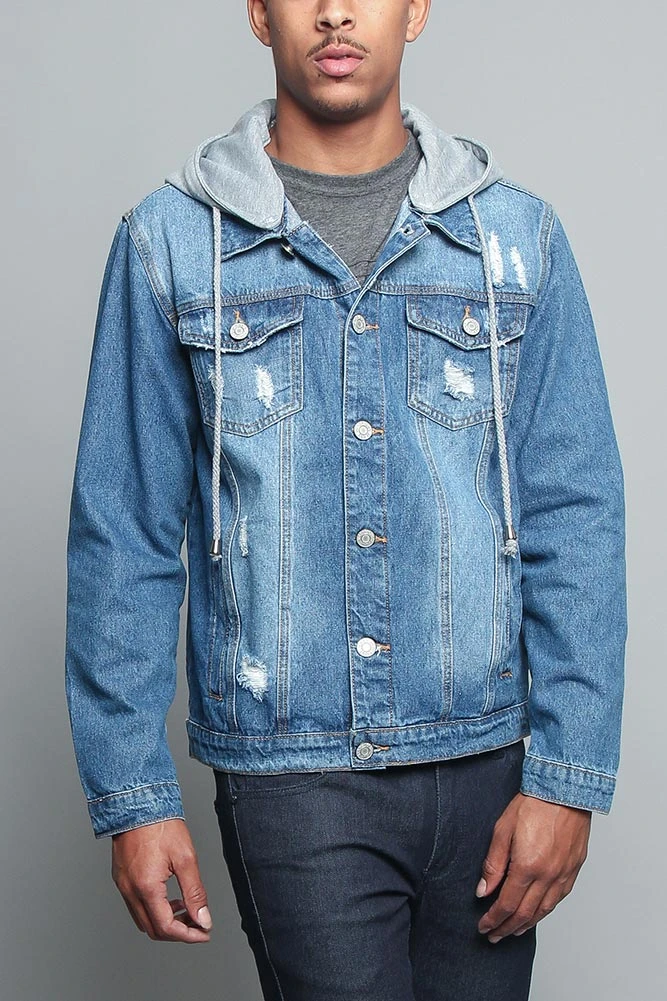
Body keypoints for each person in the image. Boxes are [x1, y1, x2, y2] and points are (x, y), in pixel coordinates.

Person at [64, 1, 627, 998]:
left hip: (487, 758)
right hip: (291, 776)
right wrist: (133, 795)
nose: (334, 11)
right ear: (259, 13)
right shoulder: (170, 242)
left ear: (415, 10)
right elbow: (125, 533)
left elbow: (573, 512)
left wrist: (567, 777)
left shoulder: (515, 237)